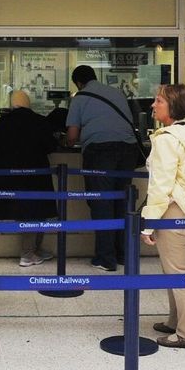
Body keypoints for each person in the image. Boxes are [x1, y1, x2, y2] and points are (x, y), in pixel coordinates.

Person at [140, 84, 185, 349]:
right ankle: (175, 320)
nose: (153, 105)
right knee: (176, 269)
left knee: (179, 272)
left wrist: (148, 225)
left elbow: (161, 186)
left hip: (172, 210)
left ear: (173, 107)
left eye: (158, 101)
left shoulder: (167, 139)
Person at [65, 65, 139, 272]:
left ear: (78, 83)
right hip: (128, 151)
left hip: (100, 152)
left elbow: (71, 137)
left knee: (102, 203)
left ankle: (106, 259)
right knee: (123, 201)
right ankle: (124, 254)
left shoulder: (80, 98)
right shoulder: (116, 92)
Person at [0, 90, 59, 266]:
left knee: (27, 214)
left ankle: (33, 250)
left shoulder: (4, 122)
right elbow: (51, 146)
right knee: (37, 213)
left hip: (11, 176)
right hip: (36, 176)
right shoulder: (39, 121)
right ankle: (27, 254)